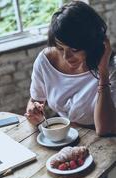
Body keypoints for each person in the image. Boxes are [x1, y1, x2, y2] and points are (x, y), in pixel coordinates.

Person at [25, 1, 116, 136]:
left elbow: (105, 129)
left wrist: (103, 72)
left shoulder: (111, 67)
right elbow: (35, 100)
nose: (66, 56)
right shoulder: (46, 61)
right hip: (66, 133)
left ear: (91, 43)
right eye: (60, 48)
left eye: (74, 49)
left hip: (104, 140)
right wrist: (35, 112)